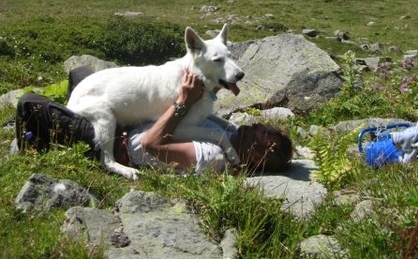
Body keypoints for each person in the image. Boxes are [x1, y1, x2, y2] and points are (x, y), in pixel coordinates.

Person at [14, 69, 293, 175]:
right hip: (132, 119)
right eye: (263, 126)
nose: (257, 126)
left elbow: (149, 144)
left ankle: (36, 141)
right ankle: (61, 122)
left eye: (262, 134)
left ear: (258, 156)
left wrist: (182, 102)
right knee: (81, 73)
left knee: (29, 103)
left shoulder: (213, 157)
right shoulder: (230, 132)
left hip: (116, 141)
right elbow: (201, 110)